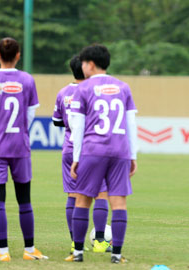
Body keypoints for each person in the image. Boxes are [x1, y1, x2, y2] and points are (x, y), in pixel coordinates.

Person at [0, 37, 48, 261]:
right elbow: (31, 113)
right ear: (18, 55)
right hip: (20, 147)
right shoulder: (27, 79)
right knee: (24, 199)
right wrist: (21, 133)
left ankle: (3, 252)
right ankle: (29, 249)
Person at [67, 44, 138, 263]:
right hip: (119, 151)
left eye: (83, 63)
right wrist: (133, 155)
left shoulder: (83, 88)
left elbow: (77, 126)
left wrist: (76, 157)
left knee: (82, 200)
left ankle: (78, 252)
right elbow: (130, 123)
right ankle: (116, 255)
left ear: (90, 64)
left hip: (93, 150)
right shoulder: (123, 87)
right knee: (118, 203)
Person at [52, 55, 111, 255]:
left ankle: (74, 241)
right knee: (101, 192)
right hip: (93, 148)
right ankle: (101, 241)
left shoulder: (63, 92)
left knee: (73, 194)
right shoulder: (94, 91)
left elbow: (57, 121)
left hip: (69, 148)